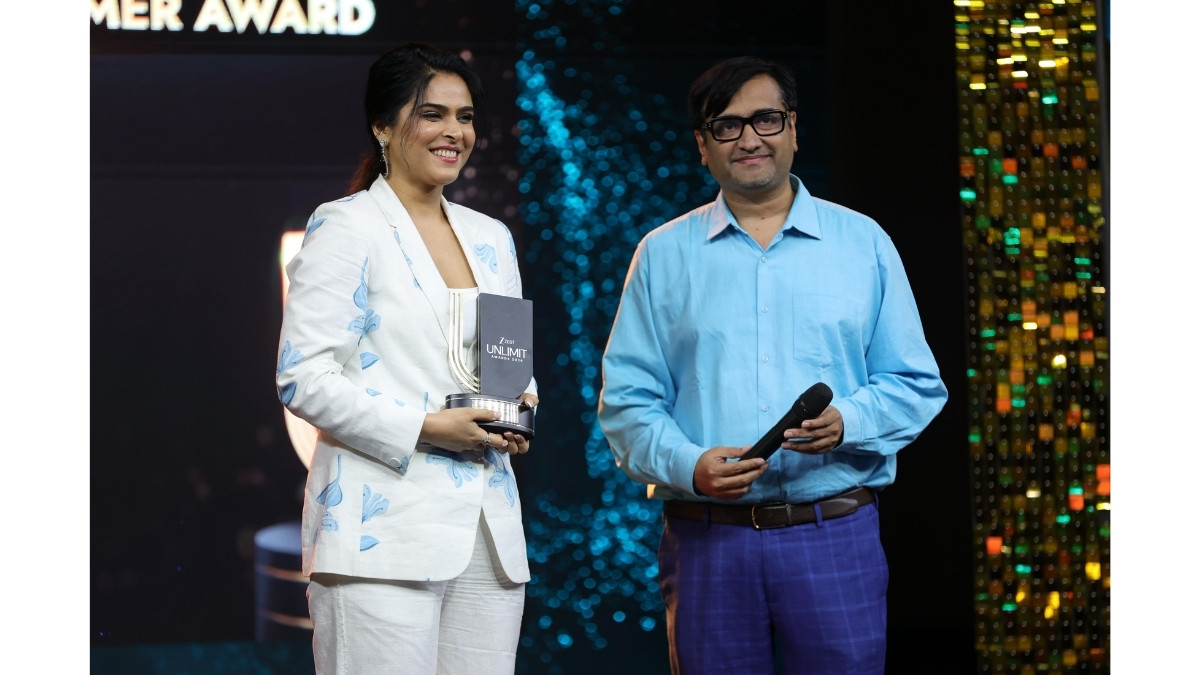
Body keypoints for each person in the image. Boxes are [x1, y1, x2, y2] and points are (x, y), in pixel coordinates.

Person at [597, 55, 948, 674]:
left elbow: (916, 384)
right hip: (708, 540)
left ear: (793, 129)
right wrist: (689, 464)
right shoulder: (662, 254)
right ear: (703, 146)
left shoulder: (862, 242)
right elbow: (627, 402)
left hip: (833, 531)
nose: (750, 138)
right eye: (727, 126)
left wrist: (850, 420)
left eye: (766, 119)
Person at [275, 42, 537, 675]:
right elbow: (303, 377)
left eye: (465, 117)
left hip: (488, 535)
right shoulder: (347, 226)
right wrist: (425, 426)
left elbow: (510, 364)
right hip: (381, 534)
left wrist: (521, 408)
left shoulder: (491, 237)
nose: (454, 132)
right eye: (432, 114)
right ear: (383, 126)